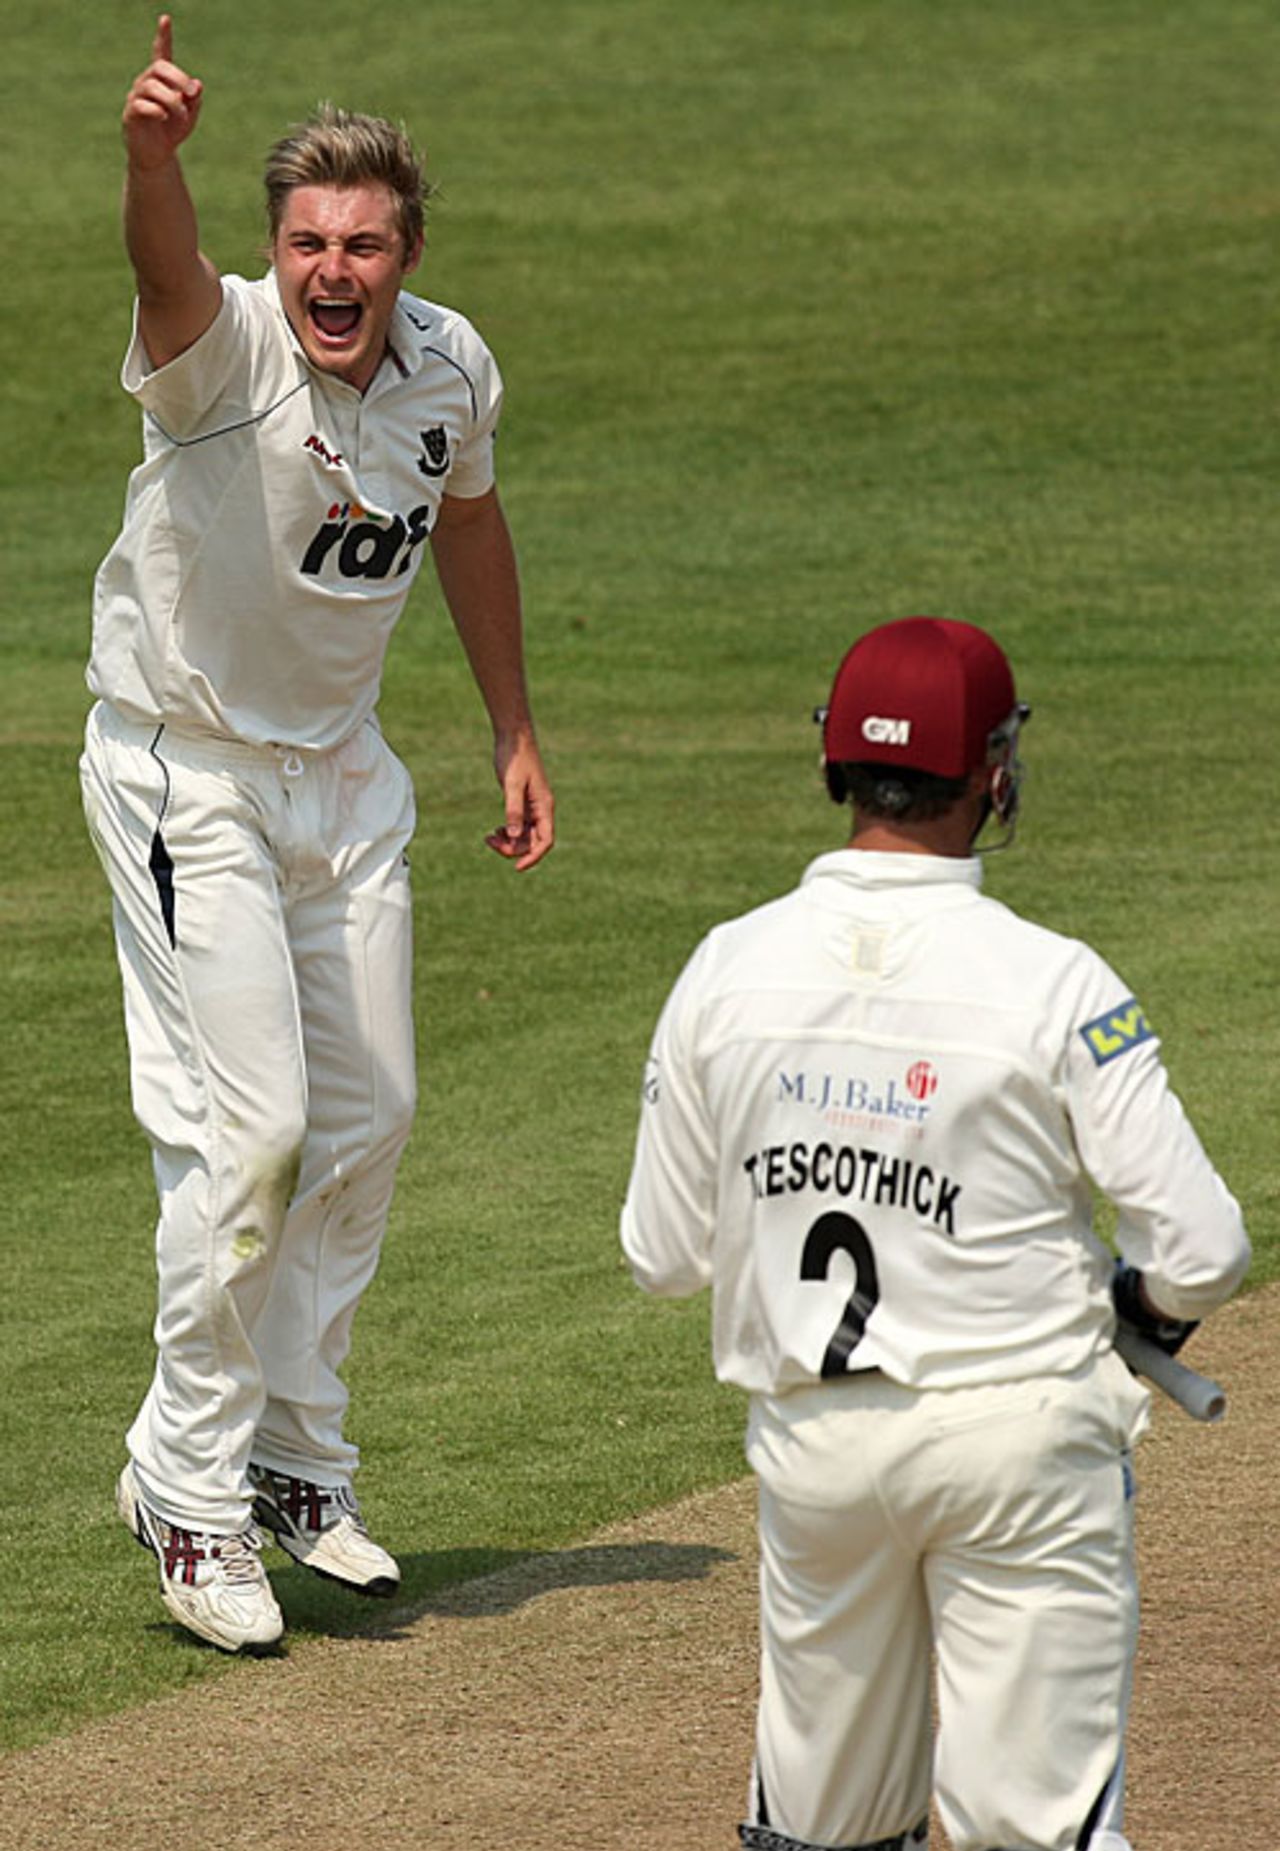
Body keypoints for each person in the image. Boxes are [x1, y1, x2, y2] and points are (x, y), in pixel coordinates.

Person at [620, 616, 1249, 1851]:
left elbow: (663, 1251)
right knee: (1033, 1835)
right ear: (994, 773)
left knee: (820, 1836)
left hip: (815, 1452)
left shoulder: (722, 967)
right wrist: (1146, 1315)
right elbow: (1205, 1243)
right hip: (1018, 1442)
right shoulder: (1055, 981)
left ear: (833, 766)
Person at [81, 14, 554, 1654]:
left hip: (343, 781)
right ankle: (185, 1487)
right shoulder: (226, 347)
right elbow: (162, 275)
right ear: (272, 253)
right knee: (255, 1132)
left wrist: (509, 725)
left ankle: (295, 1458)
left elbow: (470, 524)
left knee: (370, 1122)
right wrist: (156, 165)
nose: (331, 271)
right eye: (304, 244)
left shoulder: (452, 364)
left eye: (361, 245)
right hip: (184, 773)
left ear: (407, 252)